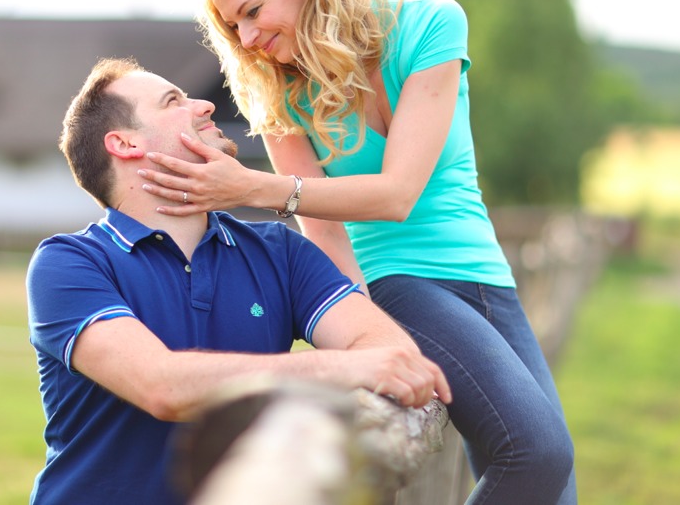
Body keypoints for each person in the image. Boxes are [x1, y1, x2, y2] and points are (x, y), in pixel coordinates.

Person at [135, 0, 577, 505]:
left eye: (252, 11)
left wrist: (252, 187)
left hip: (485, 273)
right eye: (234, 27)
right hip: (394, 282)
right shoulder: (276, 88)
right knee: (538, 453)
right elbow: (323, 229)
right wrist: (364, 322)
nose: (247, 38)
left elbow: (398, 193)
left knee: (554, 483)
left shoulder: (431, 23)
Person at [26, 56, 451, 505]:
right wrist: (343, 368)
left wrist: (367, 361)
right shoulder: (68, 263)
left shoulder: (280, 251)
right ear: (125, 143)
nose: (205, 105)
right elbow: (162, 386)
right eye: (173, 101)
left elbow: (386, 348)